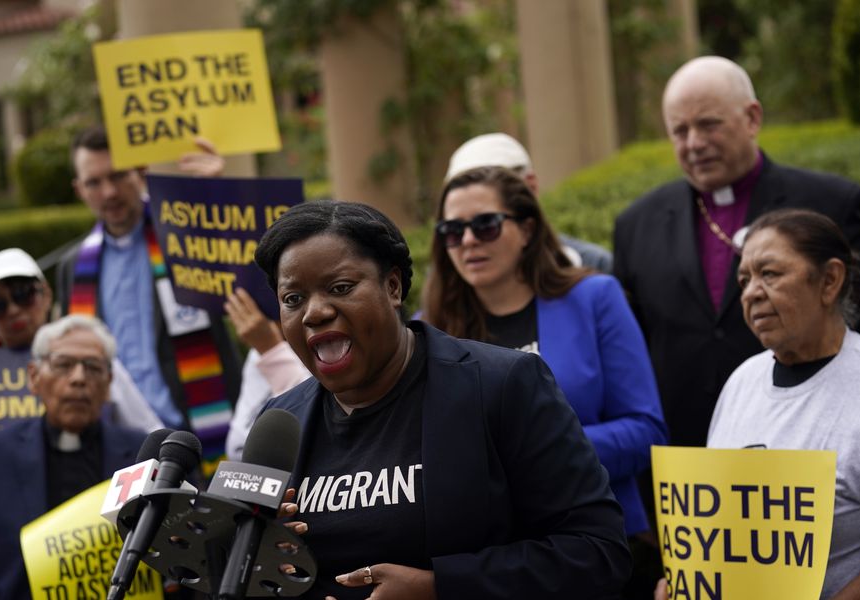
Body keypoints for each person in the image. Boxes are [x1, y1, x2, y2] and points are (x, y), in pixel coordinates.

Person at [254, 200, 631, 599]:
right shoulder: (279, 423)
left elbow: (598, 552)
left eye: (341, 288)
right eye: (293, 299)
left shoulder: (501, 386)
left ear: (393, 286)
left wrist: (440, 588)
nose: (315, 312)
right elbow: (245, 573)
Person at [613, 55, 860, 448]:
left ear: (752, 118)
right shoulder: (635, 224)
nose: (694, 143)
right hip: (684, 459)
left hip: (810, 442)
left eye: (708, 124)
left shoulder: (829, 202)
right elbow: (630, 356)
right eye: (680, 131)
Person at [422, 166, 666, 543]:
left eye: (486, 224)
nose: (468, 240)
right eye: (452, 231)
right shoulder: (428, 331)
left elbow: (646, 431)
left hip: (596, 539)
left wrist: (538, 451)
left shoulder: (595, 298)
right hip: (482, 552)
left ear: (528, 229)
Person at [707, 209, 860, 599]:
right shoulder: (740, 383)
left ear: (829, 280)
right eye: (744, 279)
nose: (751, 292)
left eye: (770, 274)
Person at [0, 315, 146, 600]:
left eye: (93, 367)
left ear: (108, 383)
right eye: (63, 365)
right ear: (34, 377)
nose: (79, 378)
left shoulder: (144, 456)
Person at [56, 127, 242, 450]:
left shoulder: (186, 236)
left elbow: (246, 279)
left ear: (141, 171)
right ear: (79, 190)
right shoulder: (72, 267)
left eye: (117, 175)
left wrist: (216, 202)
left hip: (196, 434)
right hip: (117, 445)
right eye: (94, 182)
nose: (109, 192)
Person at [0, 247, 162, 432]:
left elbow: (147, 431)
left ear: (46, 293)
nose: (13, 310)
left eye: (23, 294)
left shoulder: (91, 351)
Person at [446, 132, 613, 272]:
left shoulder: (592, 265)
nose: (469, 239)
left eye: (487, 221)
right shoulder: (445, 287)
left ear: (531, 186)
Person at [224, 287, 310, 460]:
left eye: (292, 299)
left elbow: (310, 426)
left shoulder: (325, 350)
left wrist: (272, 351)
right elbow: (240, 443)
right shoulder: (260, 350)